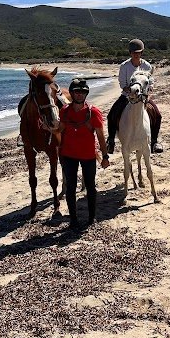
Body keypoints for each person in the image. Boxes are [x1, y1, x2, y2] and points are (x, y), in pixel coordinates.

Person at [57, 78, 110, 228]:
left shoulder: (94, 112)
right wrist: (49, 129)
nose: (80, 94)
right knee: (71, 187)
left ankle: (91, 217)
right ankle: (73, 220)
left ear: (86, 93)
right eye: (77, 92)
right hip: (68, 155)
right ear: (72, 93)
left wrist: (105, 156)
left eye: (83, 92)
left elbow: (100, 136)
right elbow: (60, 130)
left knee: (91, 186)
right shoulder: (64, 111)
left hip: (88, 156)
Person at [105, 39, 163, 154]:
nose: (136, 55)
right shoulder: (124, 66)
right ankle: (111, 141)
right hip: (127, 96)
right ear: (130, 53)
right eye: (134, 52)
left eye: (138, 52)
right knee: (111, 114)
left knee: (158, 114)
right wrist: (130, 91)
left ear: (142, 53)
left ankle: (155, 142)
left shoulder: (147, 66)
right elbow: (122, 83)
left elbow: (150, 82)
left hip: (143, 97)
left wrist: (148, 90)